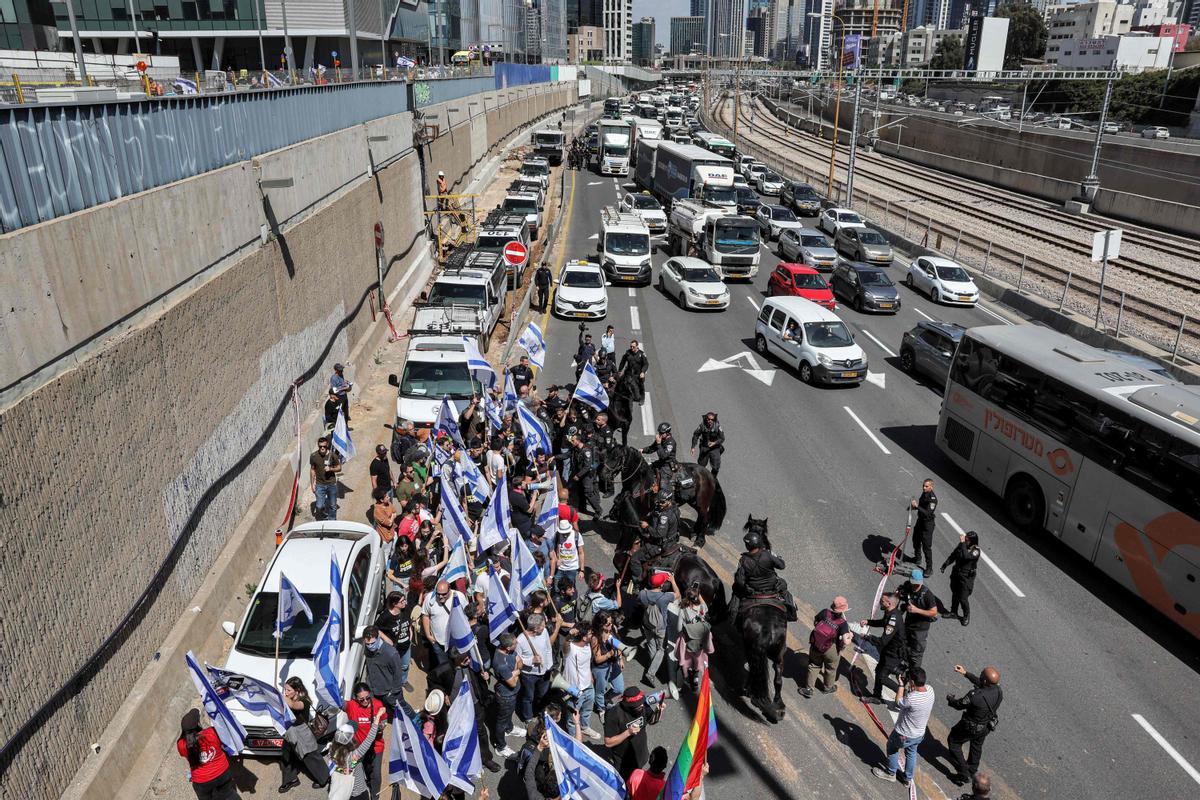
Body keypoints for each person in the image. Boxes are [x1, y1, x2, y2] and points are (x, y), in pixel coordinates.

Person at [871, 667, 935, 787]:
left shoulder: (912, 698)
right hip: (919, 733)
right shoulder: (930, 691)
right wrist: (911, 687)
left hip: (904, 734)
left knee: (892, 748)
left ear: (912, 682)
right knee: (911, 753)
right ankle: (907, 778)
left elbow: (899, 701)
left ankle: (890, 773)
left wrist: (901, 685)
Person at [947, 664, 1003, 786]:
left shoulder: (975, 696)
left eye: (981, 674)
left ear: (984, 680)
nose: (980, 675)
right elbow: (982, 683)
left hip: (970, 727)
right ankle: (972, 769)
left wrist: (950, 700)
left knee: (954, 742)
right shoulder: (998, 691)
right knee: (976, 747)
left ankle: (963, 773)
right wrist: (965, 673)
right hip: (986, 726)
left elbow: (959, 704)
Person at [731, 529, 797, 621]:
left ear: (747, 546)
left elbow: (739, 581)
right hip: (773, 587)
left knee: (736, 588)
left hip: (754, 590)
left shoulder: (744, 560)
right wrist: (778, 558)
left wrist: (746, 588)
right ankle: (792, 612)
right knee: (784, 585)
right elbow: (782, 566)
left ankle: (732, 616)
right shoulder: (767, 554)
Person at [177, 709, 239, 800]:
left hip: (202, 781)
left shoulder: (181, 745)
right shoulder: (212, 732)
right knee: (228, 794)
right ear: (198, 723)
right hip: (222, 772)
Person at [279, 677, 328, 791]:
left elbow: (293, 705)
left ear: (297, 690)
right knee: (287, 756)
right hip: (290, 732)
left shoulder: (304, 701)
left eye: (288, 690)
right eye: (285, 690)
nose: (286, 692)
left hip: (302, 734)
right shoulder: (288, 698)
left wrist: (281, 697)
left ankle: (324, 778)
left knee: (310, 757)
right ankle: (291, 779)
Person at [799, 597, 853, 698]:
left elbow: (816, 622)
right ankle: (828, 687)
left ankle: (809, 689)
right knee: (831, 668)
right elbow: (846, 641)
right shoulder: (843, 623)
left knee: (814, 665)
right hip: (831, 648)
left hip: (816, 644)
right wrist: (850, 636)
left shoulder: (825, 612)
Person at [603, 687, 662, 780]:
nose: (642, 706)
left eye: (642, 703)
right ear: (627, 705)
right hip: (623, 761)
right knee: (623, 782)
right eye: (637, 705)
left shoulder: (643, 705)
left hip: (640, 754)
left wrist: (659, 711)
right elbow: (608, 742)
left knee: (636, 778)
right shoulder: (614, 714)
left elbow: (651, 721)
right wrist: (628, 732)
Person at [328, 707, 385, 800]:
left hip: (344, 792)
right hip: (358, 792)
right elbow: (370, 738)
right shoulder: (353, 756)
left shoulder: (331, 751)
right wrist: (378, 716)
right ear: (351, 740)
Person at [860, 592, 907, 703]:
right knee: (879, 671)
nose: (880, 602)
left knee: (882, 677)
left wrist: (867, 637)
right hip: (888, 650)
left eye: (882, 601)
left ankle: (903, 692)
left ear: (889, 603)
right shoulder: (889, 612)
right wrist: (869, 622)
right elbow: (883, 622)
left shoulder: (893, 619)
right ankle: (876, 696)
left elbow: (882, 641)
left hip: (894, 654)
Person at [515, 612, 561, 723]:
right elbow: (517, 660)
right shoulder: (520, 640)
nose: (545, 627)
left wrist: (549, 665)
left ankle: (542, 713)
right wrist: (531, 660)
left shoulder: (544, 632)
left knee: (542, 695)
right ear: (535, 629)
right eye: (542, 625)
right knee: (528, 697)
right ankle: (528, 718)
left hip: (545, 672)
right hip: (529, 675)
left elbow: (548, 648)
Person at [562, 624, 603, 742]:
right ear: (584, 637)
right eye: (590, 633)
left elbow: (586, 663)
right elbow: (565, 644)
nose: (592, 635)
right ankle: (573, 737)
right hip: (574, 689)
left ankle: (584, 727)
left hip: (588, 686)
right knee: (572, 716)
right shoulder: (570, 649)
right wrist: (570, 634)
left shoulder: (587, 646)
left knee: (587, 710)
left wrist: (590, 675)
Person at [344, 683, 386, 799]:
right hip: (359, 748)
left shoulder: (378, 705)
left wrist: (382, 726)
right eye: (361, 699)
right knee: (364, 770)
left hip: (376, 746)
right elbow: (337, 701)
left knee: (376, 774)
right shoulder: (351, 706)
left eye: (368, 697)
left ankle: (375, 796)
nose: (366, 701)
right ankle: (367, 781)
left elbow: (384, 720)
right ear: (355, 698)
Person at [629, 494, 679, 585]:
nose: (660, 504)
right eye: (659, 501)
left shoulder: (665, 516)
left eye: (662, 502)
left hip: (660, 545)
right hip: (672, 539)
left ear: (669, 501)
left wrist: (647, 526)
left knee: (634, 559)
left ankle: (638, 581)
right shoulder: (675, 509)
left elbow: (659, 534)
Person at [674, 583, 713, 695]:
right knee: (697, 660)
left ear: (687, 597)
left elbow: (678, 628)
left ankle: (680, 685)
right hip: (700, 641)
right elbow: (704, 604)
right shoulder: (702, 608)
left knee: (684, 662)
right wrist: (698, 593)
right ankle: (695, 679)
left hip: (687, 642)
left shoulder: (683, 610)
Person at [637, 573, 675, 688]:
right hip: (660, 627)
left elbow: (638, 601)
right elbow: (677, 594)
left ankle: (653, 665)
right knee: (661, 649)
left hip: (647, 624)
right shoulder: (665, 597)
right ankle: (650, 673)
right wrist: (673, 581)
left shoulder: (643, 593)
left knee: (651, 645)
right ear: (662, 584)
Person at [491, 632, 524, 756]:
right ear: (508, 647)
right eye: (515, 643)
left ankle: (509, 729)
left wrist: (514, 671)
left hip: (511, 695)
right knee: (501, 721)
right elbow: (513, 683)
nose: (517, 644)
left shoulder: (508, 651)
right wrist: (517, 671)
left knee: (508, 715)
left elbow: (520, 661)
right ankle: (500, 747)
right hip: (506, 697)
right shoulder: (501, 664)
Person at [361, 626, 406, 718]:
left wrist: (393, 692)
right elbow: (369, 669)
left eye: (372, 643)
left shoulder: (391, 653)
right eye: (367, 644)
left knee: (402, 711)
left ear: (378, 638)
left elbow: (398, 674)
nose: (370, 646)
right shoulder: (368, 650)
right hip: (375, 691)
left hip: (390, 693)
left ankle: (415, 723)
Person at [421, 580, 466, 669]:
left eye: (444, 594)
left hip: (456, 641)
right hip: (438, 642)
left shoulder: (459, 596)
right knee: (445, 667)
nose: (440, 596)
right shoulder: (430, 598)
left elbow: (466, 614)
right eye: (438, 594)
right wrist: (428, 635)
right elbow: (425, 615)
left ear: (449, 590)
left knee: (459, 666)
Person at [899, 569, 938, 672]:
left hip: (920, 630)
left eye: (917, 584)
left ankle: (914, 673)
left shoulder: (927, 595)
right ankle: (905, 665)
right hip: (908, 624)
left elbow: (934, 612)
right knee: (905, 645)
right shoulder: (908, 586)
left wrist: (917, 610)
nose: (915, 586)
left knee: (916, 653)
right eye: (914, 584)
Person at [941, 530, 982, 626]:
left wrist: (963, 543)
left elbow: (966, 557)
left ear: (972, 541)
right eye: (965, 539)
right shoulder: (962, 545)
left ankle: (966, 615)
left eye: (967, 540)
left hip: (966, 577)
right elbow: (953, 555)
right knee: (955, 593)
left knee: (963, 598)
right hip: (956, 574)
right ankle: (953, 612)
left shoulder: (976, 551)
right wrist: (945, 564)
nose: (965, 541)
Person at [374, 591, 413, 689]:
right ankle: (392, 684)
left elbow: (409, 623)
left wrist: (410, 633)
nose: (405, 602)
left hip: (406, 645)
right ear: (394, 604)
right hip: (394, 648)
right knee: (392, 667)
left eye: (404, 600)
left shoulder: (406, 610)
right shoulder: (385, 616)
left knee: (405, 665)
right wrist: (386, 638)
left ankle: (403, 681)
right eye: (402, 601)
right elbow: (376, 628)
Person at [590, 610, 626, 716]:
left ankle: (606, 698)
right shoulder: (595, 638)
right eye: (608, 624)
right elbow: (597, 659)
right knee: (600, 690)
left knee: (619, 688)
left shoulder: (612, 629)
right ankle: (601, 709)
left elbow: (618, 645)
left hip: (613, 664)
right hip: (601, 668)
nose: (611, 625)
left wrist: (621, 659)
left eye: (611, 622)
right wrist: (609, 654)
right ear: (601, 625)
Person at [907, 478, 939, 573]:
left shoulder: (933, 499)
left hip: (927, 525)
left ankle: (929, 568)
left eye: (926, 486)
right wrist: (913, 507)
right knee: (915, 540)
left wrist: (917, 506)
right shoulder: (924, 494)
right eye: (923, 486)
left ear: (931, 487)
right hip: (920, 521)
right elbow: (921, 506)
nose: (924, 488)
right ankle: (917, 558)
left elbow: (928, 513)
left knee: (926, 547)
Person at [570, 432, 604, 517]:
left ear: (578, 441)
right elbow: (567, 455)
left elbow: (587, 466)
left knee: (588, 493)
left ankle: (598, 510)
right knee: (580, 491)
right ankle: (582, 508)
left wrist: (578, 475)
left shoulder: (586, 451)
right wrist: (555, 457)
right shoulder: (575, 449)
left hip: (587, 475)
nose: (571, 442)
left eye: (573, 440)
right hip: (581, 474)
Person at [310, 436, 342, 520]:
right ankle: (325, 517)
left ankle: (331, 522)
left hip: (331, 484)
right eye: (320, 446)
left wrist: (331, 469)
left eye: (324, 446)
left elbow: (339, 468)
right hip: (320, 485)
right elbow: (312, 470)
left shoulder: (333, 455)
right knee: (319, 506)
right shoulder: (314, 456)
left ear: (327, 445)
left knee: (333, 505)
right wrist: (312, 484)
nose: (322, 448)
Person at [641, 423, 677, 492]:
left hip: (667, 465)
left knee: (663, 484)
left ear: (667, 433)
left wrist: (659, 444)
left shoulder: (671, 443)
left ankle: (668, 499)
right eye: (659, 432)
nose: (659, 434)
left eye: (662, 433)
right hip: (661, 462)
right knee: (646, 469)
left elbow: (663, 456)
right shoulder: (661, 439)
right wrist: (642, 450)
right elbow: (651, 448)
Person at [689, 412, 725, 477]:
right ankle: (700, 478)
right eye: (708, 419)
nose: (710, 421)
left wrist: (714, 443)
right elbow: (696, 435)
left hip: (715, 448)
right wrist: (693, 447)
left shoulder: (717, 426)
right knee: (701, 466)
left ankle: (713, 478)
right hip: (704, 447)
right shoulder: (702, 425)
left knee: (716, 467)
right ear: (706, 418)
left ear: (714, 420)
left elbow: (722, 438)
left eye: (712, 419)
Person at [552, 517, 584, 588]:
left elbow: (581, 553)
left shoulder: (577, 536)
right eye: (563, 533)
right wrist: (557, 560)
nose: (565, 535)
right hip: (560, 568)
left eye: (566, 532)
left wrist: (581, 570)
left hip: (572, 568)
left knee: (569, 588)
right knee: (557, 588)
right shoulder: (557, 535)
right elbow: (553, 550)